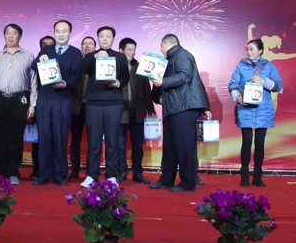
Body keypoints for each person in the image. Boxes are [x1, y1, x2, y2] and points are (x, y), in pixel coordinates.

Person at [149, 34, 211, 193]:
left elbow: (185, 76)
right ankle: (166, 180)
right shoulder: (169, 59)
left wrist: (163, 82)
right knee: (170, 146)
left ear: (165, 44)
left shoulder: (182, 55)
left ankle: (188, 182)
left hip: (184, 106)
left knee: (184, 146)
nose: (160, 50)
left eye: (161, 46)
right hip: (174, 107)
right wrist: (158, 95)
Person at [0, 23, 37, 185]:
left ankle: (14, 172)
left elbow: (33, 82)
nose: (10, 36)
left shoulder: (28, 56)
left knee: (16, 137)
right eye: (7, 33)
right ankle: (1, 171)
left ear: (19, 36)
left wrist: (32, 104)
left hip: (19, 99)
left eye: (14, 33)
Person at [228, 38, 283, 187]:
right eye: (247, 49)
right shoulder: (241, 65)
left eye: (252, 49)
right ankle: (244, 176)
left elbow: (278, 86)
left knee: (260, 143)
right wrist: (237, 97)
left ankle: (258, 176)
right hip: (245, 108)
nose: (249, 52)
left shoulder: (269, 66)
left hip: (263, 110)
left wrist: (264, 81)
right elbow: (232, 85)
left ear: (260, 50)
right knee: (246, 143)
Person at [33, 20, 82, 186]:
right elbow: (33, 66)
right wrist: (40, 60)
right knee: (44, 137)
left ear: (70, 33)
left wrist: (65, 84)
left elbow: (76, 76)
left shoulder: (75, 53)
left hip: (63, 100)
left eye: (64, 31)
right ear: (54, 33)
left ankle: (60, 174)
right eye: (58, 31)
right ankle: (44, 174)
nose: (61, 34)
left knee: (61, 137)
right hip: (45, 99)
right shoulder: (46, 49)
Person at [79, 26, 129, 187]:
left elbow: (126, 77)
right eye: (102, 36)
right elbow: (81, 69)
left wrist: (119, 83)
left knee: (112, 141)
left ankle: (111, 175)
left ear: (113, 39)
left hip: (113, 103)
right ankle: (91, 175)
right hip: (93, 103)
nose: (105, 39)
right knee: (93, 141)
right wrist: (94, 57)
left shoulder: (120, 57)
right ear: (98, 38)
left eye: (108, 36)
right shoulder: (91, 55)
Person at [118, 38, 155, 184]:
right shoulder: (115, 66)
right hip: (120, 111)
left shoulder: (141, 67)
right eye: (129, 49)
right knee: (120, 144)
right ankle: (122, 172)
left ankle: (137, 173)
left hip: (138, 110)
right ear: (121, 50)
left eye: (134, 50)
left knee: (138, 145)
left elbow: (147, 89)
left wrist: (150, 108)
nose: (132, 52)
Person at [30, 36, 57, 180]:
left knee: (55, 138)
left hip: (57, 105)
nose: (47, 46)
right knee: (38, 140)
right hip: (39, 104)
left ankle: (53, 169)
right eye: (44, 44)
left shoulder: (59, 62)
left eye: (50, 44)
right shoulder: (36, 62)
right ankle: (38, 169)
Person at [69, 36, 96, 179]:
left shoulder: (99, 63)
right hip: (76, 106)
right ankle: (74, 170)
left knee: (93, 140)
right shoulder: (76, 62)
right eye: (85, 44)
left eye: (90, 44)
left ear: (95, 47)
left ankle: (91, 171)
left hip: (93, 106)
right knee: (75, 140)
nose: (87, 46)